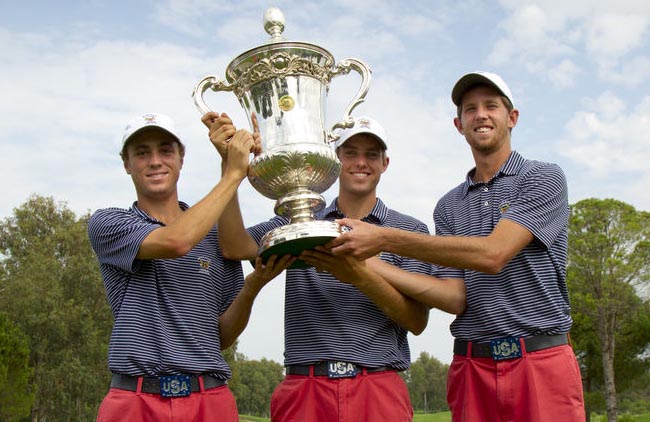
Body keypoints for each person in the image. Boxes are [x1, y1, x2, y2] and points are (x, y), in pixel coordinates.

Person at [328, 72, 586, 421]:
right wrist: (366, 264)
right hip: (472, 365)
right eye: (470, 109)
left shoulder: (542, 177)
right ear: (458, 124)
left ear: (512, 118)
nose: (480, 114)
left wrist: (383, 239)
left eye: (491, 106)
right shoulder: (448, 205)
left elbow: (494, 255)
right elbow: (454, 296)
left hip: (539, 361)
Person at [203, 112, 447, 421]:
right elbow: (234, 246)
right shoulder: (299, 218)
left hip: (377, 386)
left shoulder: (406, 231)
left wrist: (359, 276)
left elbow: (416, 321)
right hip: (306, 386)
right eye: (351, 153)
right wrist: (230, 168)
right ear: (334, 159)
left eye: (372, 155)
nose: (362, 162)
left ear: (385, 163)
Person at [88, 112, 293, 422]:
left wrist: (253, 284)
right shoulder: (109, 223)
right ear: (126, 163)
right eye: (142, 153)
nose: (155, 161)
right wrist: (233, 173)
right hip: (136, 402)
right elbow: (175, 242)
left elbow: (222, 336)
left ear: (181, 159)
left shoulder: (218, 236)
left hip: (209, 400)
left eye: (165, 150)